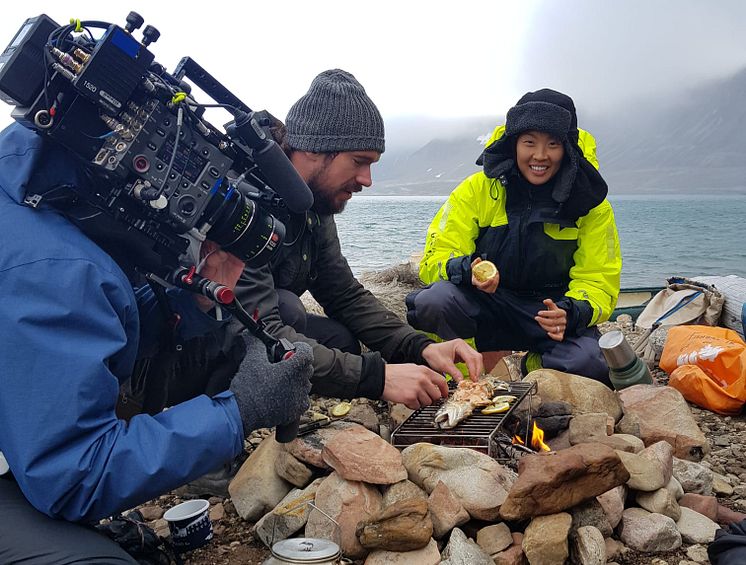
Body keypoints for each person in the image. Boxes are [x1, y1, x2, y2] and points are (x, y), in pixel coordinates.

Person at [0, 123, 314, 562]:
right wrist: (239, 411)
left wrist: (193, 306)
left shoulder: (49, 192)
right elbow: (73, 472)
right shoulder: (54, 266)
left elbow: (102, 320)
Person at [150, 69, 484, 419]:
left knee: (339, 339)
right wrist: (379, 377)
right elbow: (260, 328)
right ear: (312, 150)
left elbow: (343, 294)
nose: (367, 180)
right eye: (359, 162)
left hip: (254, 328)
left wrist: (419, 346)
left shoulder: (312, 205)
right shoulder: (244, 202)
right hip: (182, 351)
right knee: (290, 308)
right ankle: (220, 431)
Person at [406, 89, 622, 385]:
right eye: (529, 142)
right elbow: (436, 257)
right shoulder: (478, 189)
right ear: (514, 144)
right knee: (433, 302)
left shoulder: (591, 204)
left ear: (568, 149)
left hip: (548, 313)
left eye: (553, 144)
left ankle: (533, 366)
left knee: (590, 364)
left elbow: (599, 280)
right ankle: (459, 373)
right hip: (488, 303)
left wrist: (570, 313)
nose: (540, 155)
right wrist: (467, 270)